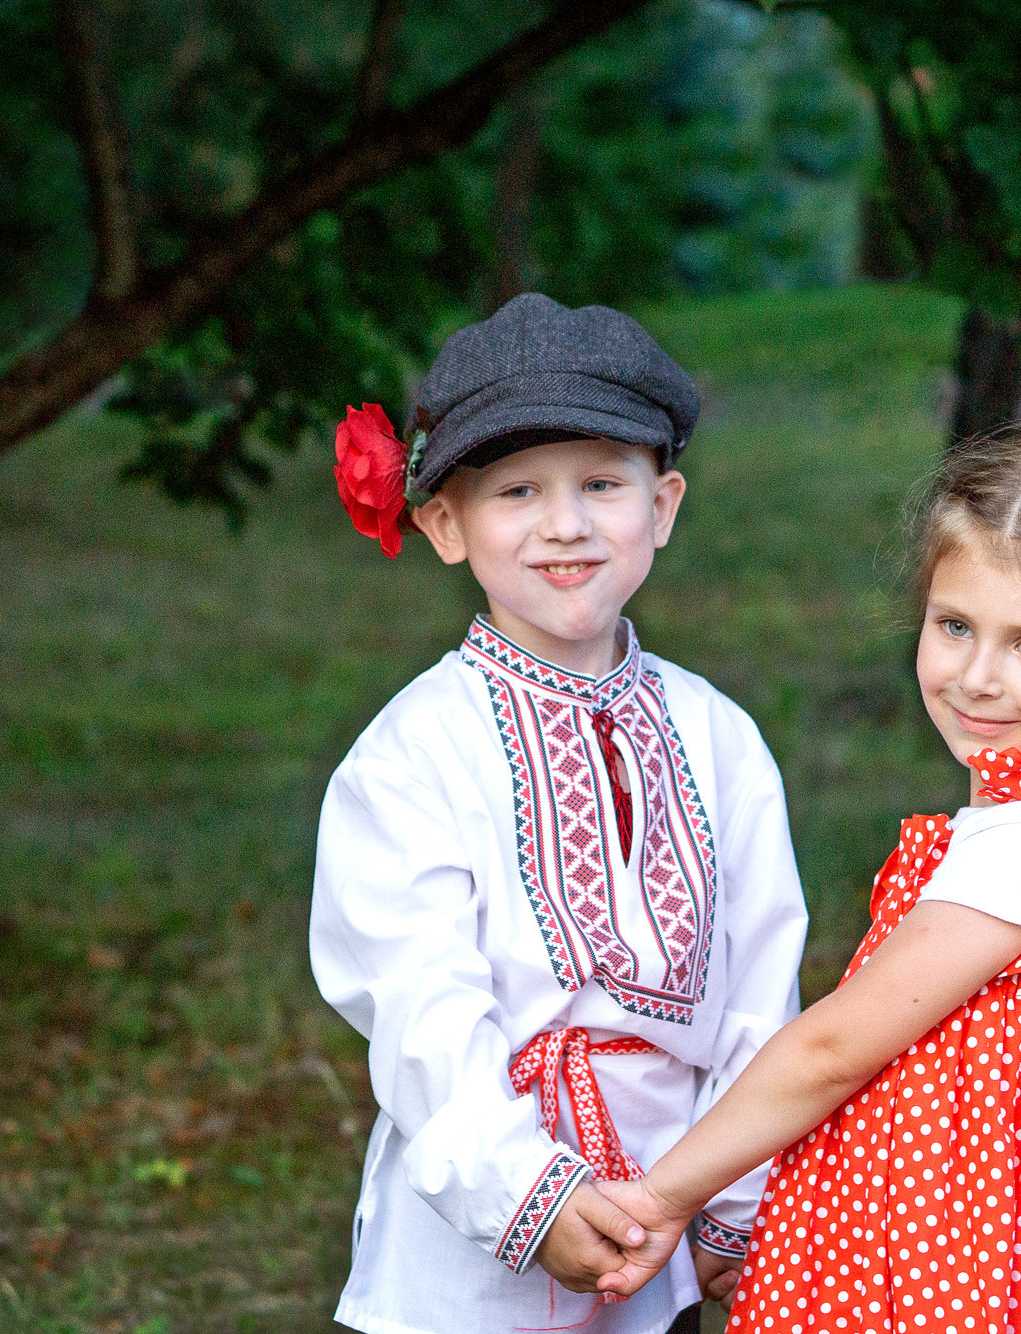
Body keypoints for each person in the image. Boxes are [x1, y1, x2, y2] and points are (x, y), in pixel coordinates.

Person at [592, 424, 1021, 1333]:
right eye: (955, 626)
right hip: (973, 1224)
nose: (978, 676)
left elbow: (831, 1052)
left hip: (940, 1247)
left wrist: (663, 1197)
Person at [310, 293, 810, 1334]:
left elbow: (762, 979)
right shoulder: (412, 756)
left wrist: (727, 1198)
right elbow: (420, 1014)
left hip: (660, 1219)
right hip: (468, 1249)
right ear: (443, 523)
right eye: (515, 490)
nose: (564, 523)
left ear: (661, 505)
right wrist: (527, 1198)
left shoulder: (719, 738)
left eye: (600, 482)